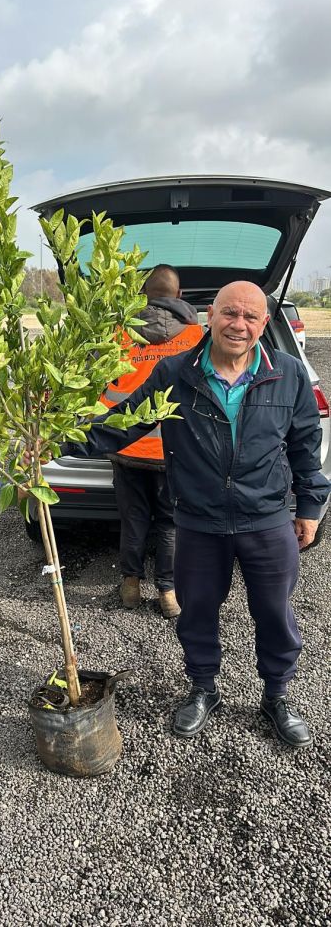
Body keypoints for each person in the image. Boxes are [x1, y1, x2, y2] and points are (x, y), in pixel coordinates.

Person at [64, 281, 330, 748]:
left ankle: (276, 695)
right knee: (197, 613)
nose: (239, 325)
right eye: (230, 313)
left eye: (251, 317)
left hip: (266, 519)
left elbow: (306, 446)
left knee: (274, 613)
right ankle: (203, 689)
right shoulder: (175, 372)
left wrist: (309, 506)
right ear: (210, 316)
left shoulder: (287, 373)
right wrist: (55, 442)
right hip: (198, 521)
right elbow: (122, 423)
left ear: (264, 324)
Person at [99, 265, 202, 617]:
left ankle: (130, 585)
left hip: (127, 448)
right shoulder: (195, 336)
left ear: (142, 296)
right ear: (180, 296)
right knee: (170, 522)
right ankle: (168, 592)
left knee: (134, 519)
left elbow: (97, 386)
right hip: (173, 451)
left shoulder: (120, 333)